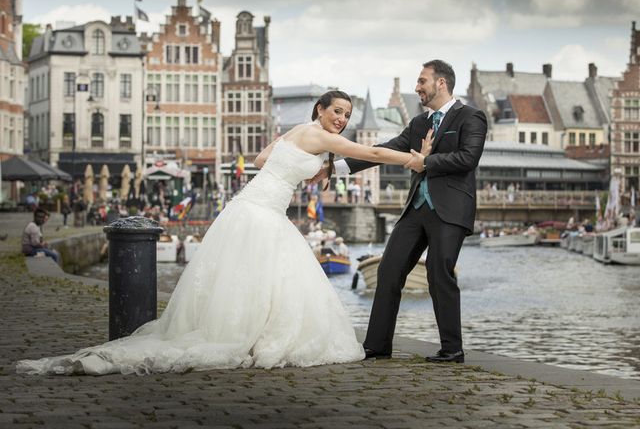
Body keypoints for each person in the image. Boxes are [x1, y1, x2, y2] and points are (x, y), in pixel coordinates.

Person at [17, 90, 428, 376]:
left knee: (242, 278)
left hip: (248, 206)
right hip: (265, 212)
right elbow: (372, 153)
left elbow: (263, 157)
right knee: (273, 278)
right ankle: (250, 335)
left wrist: (313, 168)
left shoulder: (296, 133)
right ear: (320, 110)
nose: (341, 119)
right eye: (337, 111)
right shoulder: (320, 136)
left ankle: (240, 330)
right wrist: (414, 158)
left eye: (346, 116)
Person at [311, 60, 487, 363]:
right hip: (416, 209)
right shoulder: (419, 123)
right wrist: (332, 168)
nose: (416, 88)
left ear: (441, 83)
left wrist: (426, 163)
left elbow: (468, 158)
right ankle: (377, 346)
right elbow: (381, 150)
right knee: (388, 270)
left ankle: (452, 349)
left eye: (422, 81)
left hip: (451, 208)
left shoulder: (471, 117)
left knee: (438, 271)